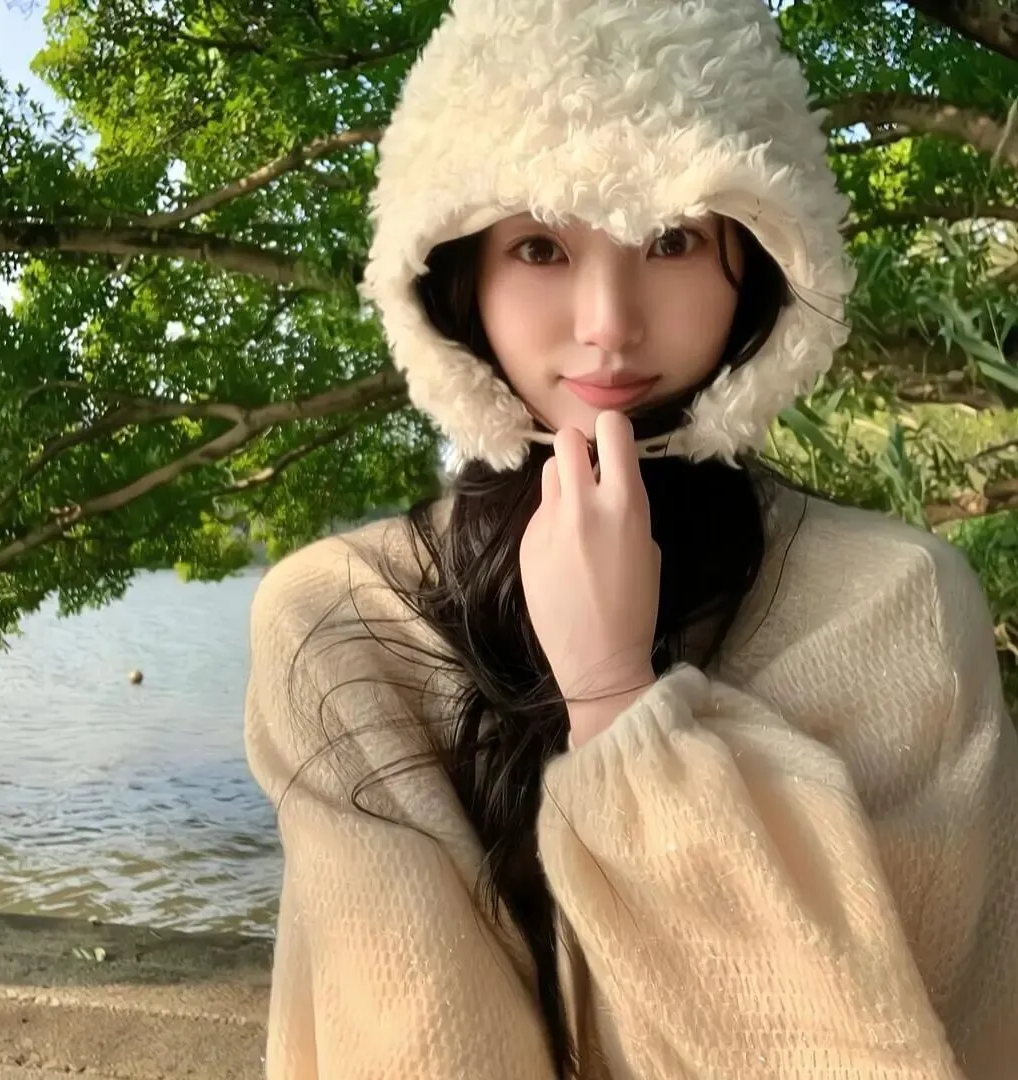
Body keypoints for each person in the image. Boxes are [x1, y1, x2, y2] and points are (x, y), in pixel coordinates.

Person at [244, 0, 1018, 1077]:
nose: (608, 322)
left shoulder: (898, 607)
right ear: (454, 274)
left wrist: (617, 707)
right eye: (540, 245)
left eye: (673, 238)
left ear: (767, 253)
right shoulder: (342, 622)